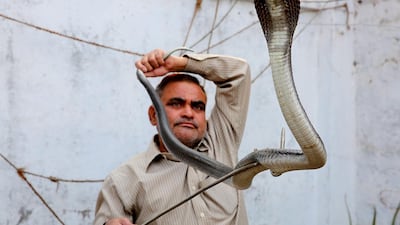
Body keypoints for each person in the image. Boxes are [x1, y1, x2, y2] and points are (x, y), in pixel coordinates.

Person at [93, 48, 251, 225]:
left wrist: (182, 64)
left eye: (198, 106)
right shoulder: (123, 179)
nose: (189, 113)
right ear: (153, 115)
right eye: (176, 104)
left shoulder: (221, 142)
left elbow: (238, 72)